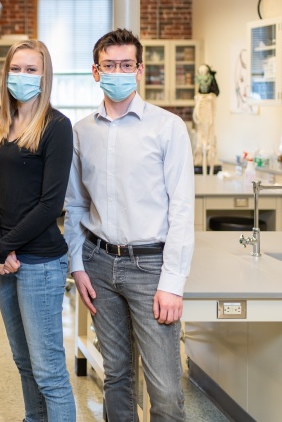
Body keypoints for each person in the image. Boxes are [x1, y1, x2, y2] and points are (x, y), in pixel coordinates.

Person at [65, 29, 194, 421]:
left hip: (150, 268)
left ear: (139, 70)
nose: (117, 72)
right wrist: (77, 265)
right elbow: (74, 204)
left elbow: (183, 210)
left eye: (126, 65)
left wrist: (172, 283)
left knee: (167, 390)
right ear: (95, 71)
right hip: (100, 265)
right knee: (117, 378)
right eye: (109, 65)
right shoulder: (82, 131)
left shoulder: (167, 127)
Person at [0, 39, 76, 421]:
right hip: (8, 261)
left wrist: (3, 248)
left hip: (40, 262)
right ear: (5, 74)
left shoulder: (57, 126)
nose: (22, 76)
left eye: (31, 69)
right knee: (23, 362)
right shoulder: (1, 123)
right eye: (16, 69)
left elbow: (50, 205)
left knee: (49, 371)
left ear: (44, 75)